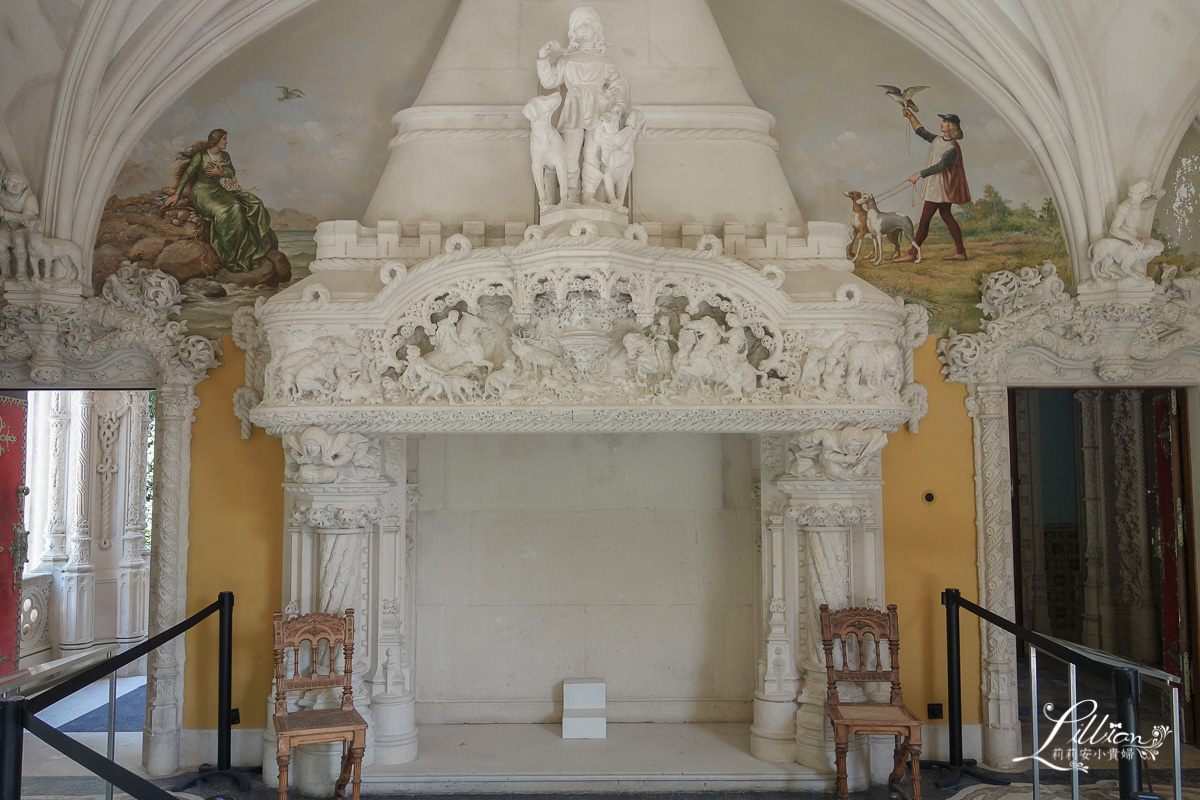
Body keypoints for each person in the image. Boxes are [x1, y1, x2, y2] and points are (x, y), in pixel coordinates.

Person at [536, 6, 628, 204]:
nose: (584, 27)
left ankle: (589, 193)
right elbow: (549, 81)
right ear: (573, 33)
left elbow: (617, 88)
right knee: (569, 151)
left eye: (588, 23)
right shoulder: (566, 59)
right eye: (579, 25)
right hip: (574, 108)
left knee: (592, 153)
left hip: (599, 109)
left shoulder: (605, 61)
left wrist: (616, 111)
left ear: (597, 31)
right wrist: (543, 57)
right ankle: (571, 192)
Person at [162, 128, 272, 273]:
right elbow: (188, 174)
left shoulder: (225, 156)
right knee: (225, 211)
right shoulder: (201, 156)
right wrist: (177, 194)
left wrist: (220, 172)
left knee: (243, 205)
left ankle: (242, 253)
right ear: (216, 140)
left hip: (218, 192)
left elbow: (231, 172)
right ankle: (230, 255)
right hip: (202, 194)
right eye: (224, 138)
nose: (226, 141)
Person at [896, 109, 971, 261]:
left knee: (924, 221)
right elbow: (921, 132)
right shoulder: (938, 140)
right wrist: (911, 116)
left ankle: (912, 254)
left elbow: (940, 166)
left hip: (939, 189)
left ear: (951, 126)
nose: (941, 123)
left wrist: (919, 174)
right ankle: (960, 252)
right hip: (936, 187)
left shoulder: (952, 148)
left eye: (944, 121)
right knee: (947, 216)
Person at [0, 173, 39, 278]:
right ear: (5, 182)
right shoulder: (1, 194)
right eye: (12, 181)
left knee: (19, 240)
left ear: (24, 186)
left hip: (22, 228)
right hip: (6, 228)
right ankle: (5, 272)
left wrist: (5, 214)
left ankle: (21, 271)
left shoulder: (29, 198)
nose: (15, 186)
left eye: (20, 184)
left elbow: (28, 218)